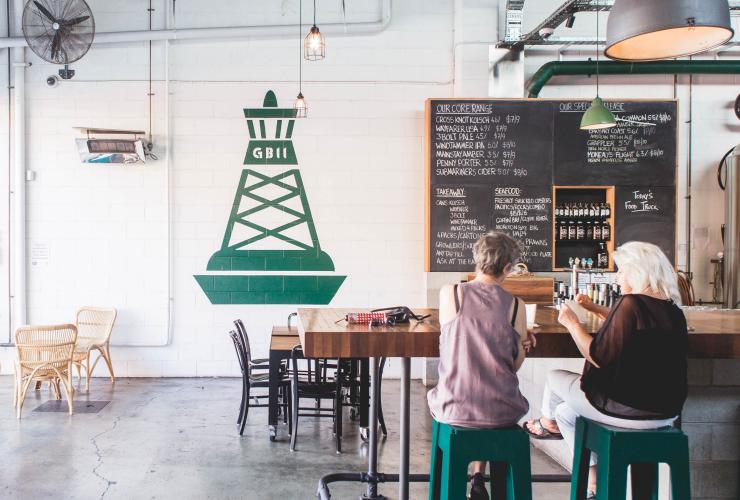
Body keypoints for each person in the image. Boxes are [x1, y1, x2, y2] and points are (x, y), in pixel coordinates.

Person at [524, 241, 688, 498]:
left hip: (626, 409)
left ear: (637, 272)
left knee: (554, 377)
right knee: (567, 412)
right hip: (666, 413)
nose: (617, 276)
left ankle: (546, 424)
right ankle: (593, 482)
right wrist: (593, 308)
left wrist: (572, 323)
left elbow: (599, 356)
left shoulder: (630, 303)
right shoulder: (672, 309)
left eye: (621, 271)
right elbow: (627, 324)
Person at [428, 231, 536, 500]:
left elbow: (453, 341)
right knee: (489, 392)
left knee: (468, 390)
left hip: (453, 407)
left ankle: (474, 475)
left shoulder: (451, 294)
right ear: (508, 268)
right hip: (503, 413)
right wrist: (525, 345)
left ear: (476, 259)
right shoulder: (516, 306)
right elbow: (513, 366)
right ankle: (478, 475)